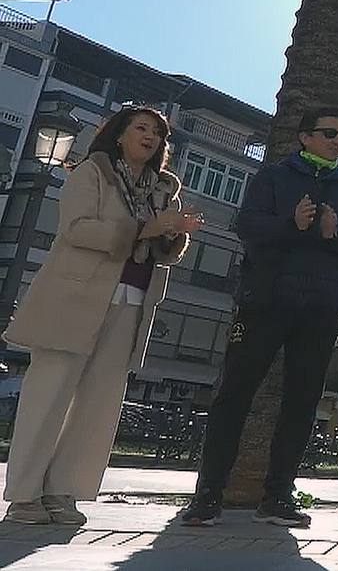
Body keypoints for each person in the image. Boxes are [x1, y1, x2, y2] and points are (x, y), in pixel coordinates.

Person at [3, 106, 201, 525]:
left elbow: (163, 251)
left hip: (131, 301)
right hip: (75, 297)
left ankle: (63, 492)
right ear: (119, 134)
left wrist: (174, 233)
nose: (150, 137)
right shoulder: (92, 172)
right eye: (141, 128)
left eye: (157, 133)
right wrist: (143, 229)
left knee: (98, 404)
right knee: (48, 396)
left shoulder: (162, 189)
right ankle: (23, 496)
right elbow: (76, 229)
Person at [181, 108, 338, 528]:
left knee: (302, 403)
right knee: (234, 395)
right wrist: (292, 224)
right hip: (266, 303)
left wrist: (336, 233)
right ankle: (208, 495)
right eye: (329, 133)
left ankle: (278, 497)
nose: (337, 142)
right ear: (305, 137)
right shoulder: (273, 178)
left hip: (320, 309)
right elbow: (246, 225)